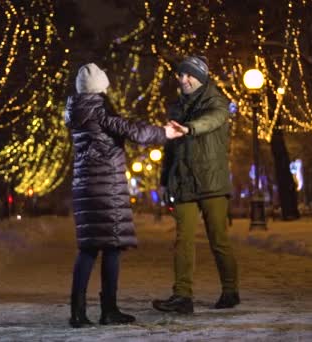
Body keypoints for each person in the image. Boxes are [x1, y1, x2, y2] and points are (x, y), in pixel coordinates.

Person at [65, 63, 184, 328]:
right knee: (111, 248)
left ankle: (78, 311)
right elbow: (134, 131)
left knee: (88, 250)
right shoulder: (99, 111)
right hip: (105, 187)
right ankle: (109, 309)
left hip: (85, 186)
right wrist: (165, 132)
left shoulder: (75, 112)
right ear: (100, 88)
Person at [152, 56, 239, 314]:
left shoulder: (218, 103)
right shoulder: (176, 108)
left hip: (212, 181)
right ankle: (182, 296)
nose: (184, 79)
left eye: (190, 75)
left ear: (202, 77)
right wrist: (165, 179)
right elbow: (170, 148)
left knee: (218, 240)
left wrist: (188, 128)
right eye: (181, 75)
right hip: (184, 182)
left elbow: (211, 121)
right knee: (183, 240)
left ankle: (230, 290)